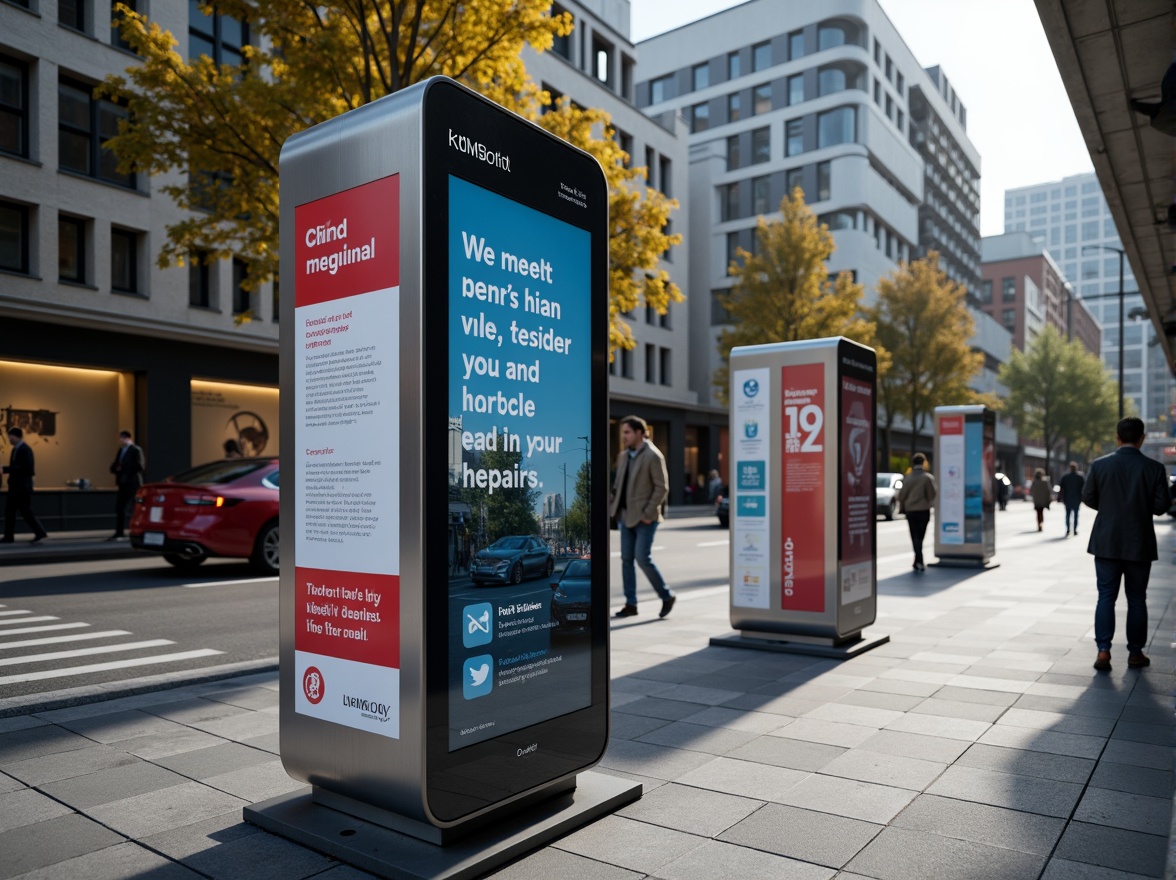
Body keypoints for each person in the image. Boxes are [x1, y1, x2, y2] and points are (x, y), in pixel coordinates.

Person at [1082, 417, 1169, 670]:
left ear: (1117, 437)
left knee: (1106, 597)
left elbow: (1087, 497)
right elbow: (1162, 506)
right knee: (1137, 599)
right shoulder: (1154, 468)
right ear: (1142, 438)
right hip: (1139, 542)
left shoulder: (1099, 465)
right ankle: (1135, 653)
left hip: (1107, 541)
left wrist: (1109, 508)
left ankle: (1103, 651)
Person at [608, 415, 674, 618]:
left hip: (646, 518)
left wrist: (648, 513)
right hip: (626, 516)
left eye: (627, 432)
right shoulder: (624, 456)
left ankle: (666, 596)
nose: (624, 436)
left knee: (642, 558)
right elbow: (619, 486)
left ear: (639, 433)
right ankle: (631, 604)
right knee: (626, 559)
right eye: (623, 432)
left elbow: (662, 488)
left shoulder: (653, 455)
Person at [2, 427, 48, 545]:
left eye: (11, 437)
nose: (9, 440)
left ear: (17, 436)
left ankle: (39, 532)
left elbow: (25, 467)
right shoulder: (16, 450)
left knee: (24, 511)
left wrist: (6, 469)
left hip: (22, 486)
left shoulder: (25, 450)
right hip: (16, 486)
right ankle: (9, 536)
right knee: (12, 511)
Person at [897, 452, 936, 572]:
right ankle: (919, 560)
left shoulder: (908, 478)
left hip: (911, 510)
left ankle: (917, 560)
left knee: (914, 536)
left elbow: (901, 495)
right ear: (923, 463)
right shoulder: (927, 478)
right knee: (921, 536)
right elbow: (932, 494)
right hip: (923, 510)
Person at [109, 430, 145, 540]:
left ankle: (138, 531)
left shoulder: (135, 450)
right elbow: (116, 464)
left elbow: (140, 466)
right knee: (120, 507)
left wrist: (126, 471)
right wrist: (115, 468)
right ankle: (119, 532)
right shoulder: (121, 450)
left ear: (127, 438)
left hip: (133, 483)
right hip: (123, 483)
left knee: (136, 508)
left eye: (122, 438)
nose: (120, 440)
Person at [1059, 461, 1085, 536]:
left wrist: (1060, 497)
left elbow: (1061, 488)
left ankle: (1068, 529)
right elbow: (1084, 488)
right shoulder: (1080, 477)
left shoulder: (1065, 477)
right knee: (1076, 515)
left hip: (1067, 499)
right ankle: (1074, 529)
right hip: (1077, 499)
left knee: (1068, 515)